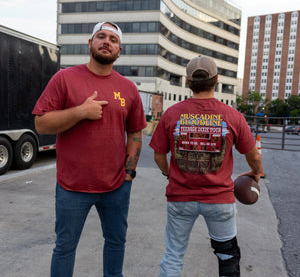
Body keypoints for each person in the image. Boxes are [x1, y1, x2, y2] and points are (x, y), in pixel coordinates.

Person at [33, 21, 147, 277]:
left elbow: (136, 132)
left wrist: (128, 174)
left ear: (119, 51)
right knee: (64, 247)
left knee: (116, 243)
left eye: (113, 40)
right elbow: (40, 123)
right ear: (90, 43)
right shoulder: (64, 78)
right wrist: (80, 112)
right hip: (72, 186)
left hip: (116, 186)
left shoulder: (128, 89)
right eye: (101, 36)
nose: (107, 42)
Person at [149, 55, 262, 277]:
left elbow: (158, 155)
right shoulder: (232, 116)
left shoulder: (172, 113)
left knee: (173, 254)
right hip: (219, 200)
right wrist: (255, 173)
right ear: (216, 79)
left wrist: (168, 174)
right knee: (227, 256)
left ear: (188, 81)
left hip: (180, 198)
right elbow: (254, 156)